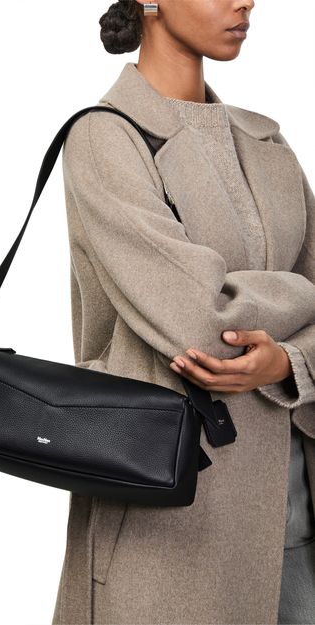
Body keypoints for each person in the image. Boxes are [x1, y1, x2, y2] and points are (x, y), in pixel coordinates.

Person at [52, 1, 315, 623]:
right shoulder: (103, 137)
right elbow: (202, 324)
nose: (245, 1)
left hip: (294, 506)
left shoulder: (267, 141)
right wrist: (303, 297)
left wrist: (289, 361)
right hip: (171, 514)